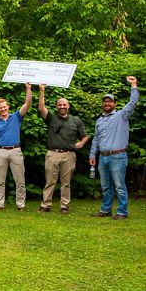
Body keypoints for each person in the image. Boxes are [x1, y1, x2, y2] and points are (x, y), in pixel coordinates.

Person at [89, 76, 139, 220]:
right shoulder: (99, 120)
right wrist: (92, 155)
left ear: (114, 104)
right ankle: (106, 210)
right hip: (102, 157)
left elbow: (132, 102)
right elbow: (96, 139)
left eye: (110, 101)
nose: (107, 103)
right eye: (105, 101)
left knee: (119, 186)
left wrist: (134, 85)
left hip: (118, 157)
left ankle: (122, 212)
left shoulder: (121, 116)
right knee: (105, 187)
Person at [38, 85, 90, 214]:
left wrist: (82, 143)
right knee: (50, 181)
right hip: (52, 154)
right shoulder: (51, 118)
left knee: (66, 183)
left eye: (64, 105)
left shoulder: (76, 120)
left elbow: (85, 136)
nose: (62, 107)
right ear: (57, 107)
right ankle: (46, 205)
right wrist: (42, 91)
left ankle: (64, 206)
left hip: (69, 155)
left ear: (68, 106)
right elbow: (41, 108)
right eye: (59, 105)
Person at [0, 83, 32, 211]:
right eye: (0, 107)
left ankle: (21, 205)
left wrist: (28, 88)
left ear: (8, 107)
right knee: (0, 181)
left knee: (20, 181)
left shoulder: (16, 117)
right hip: (0, 152)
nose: (3, 109)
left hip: (15, 151)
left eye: (4, 107)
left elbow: (27, 104)